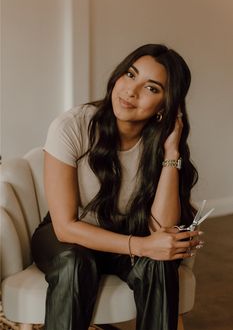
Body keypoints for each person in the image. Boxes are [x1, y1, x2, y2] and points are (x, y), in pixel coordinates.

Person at [31, 44, 203, 330]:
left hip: (127, 234)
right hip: (69, 239)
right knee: (74, 262)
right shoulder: (73, 126)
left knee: (158, 263)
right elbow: (65, 227)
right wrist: (143, 246)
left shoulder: (160, 142)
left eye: (151, 88)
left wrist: (172, 153)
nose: (131, 91)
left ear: (165, 104)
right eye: (130, 74)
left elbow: (161, 230)